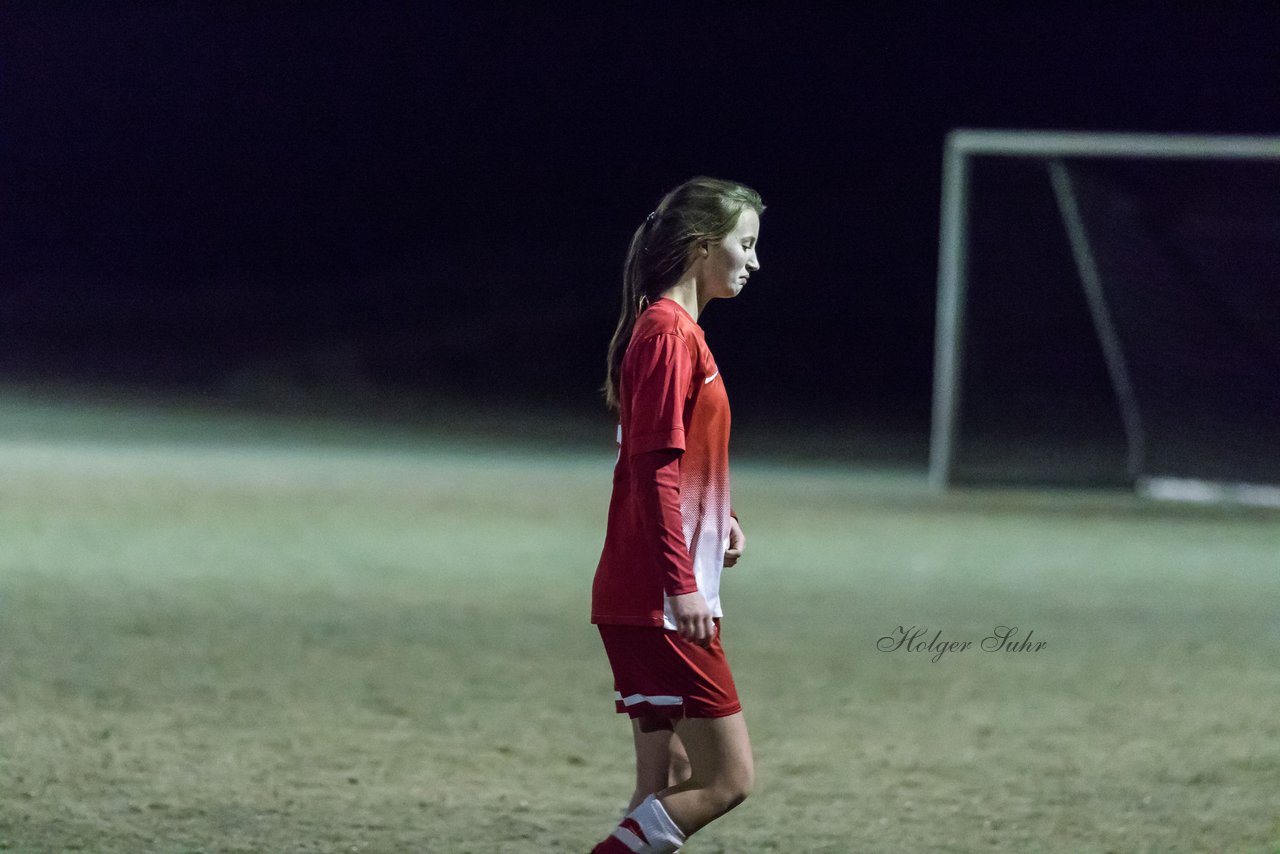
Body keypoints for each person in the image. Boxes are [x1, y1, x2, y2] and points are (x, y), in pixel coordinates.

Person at [590, 176, 763, 853]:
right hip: (657, 600)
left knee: (673, 779)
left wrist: (724, 515)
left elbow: (678, 456)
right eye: (743, 245)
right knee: (727, 780)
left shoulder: (673, 330)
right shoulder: (667, 334)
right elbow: (653, 470)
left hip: (645, 594)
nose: (752, 261)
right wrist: (682, 584)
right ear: (700, 247)